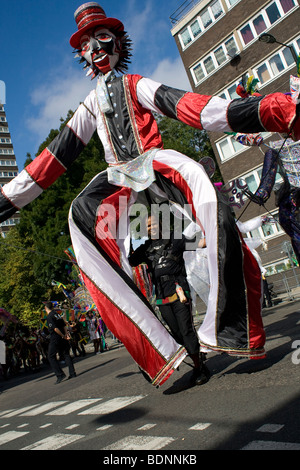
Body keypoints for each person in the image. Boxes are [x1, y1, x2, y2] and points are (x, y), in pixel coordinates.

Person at [0, 2, 299, 386]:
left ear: (118, 45)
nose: (96, 49)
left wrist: (268, 110)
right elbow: (51, 161)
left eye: (102, 39)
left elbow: (192, 108)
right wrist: (5, 200)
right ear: (82, 57)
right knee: (98, 227)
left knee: (215, 217)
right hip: (124, 190)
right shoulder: (90, 105)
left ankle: (226, 331)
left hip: (158, 171)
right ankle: (170, 352)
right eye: (87, 44)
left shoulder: (135, 84)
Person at [129, 214, 209, 386]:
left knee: (186, 330)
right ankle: (197, 354)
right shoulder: (145, 248)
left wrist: (215, 231)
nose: (152, 228)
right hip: (162, 299)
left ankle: (199, 368)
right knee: (177, 335)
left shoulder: (176, 239)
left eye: (154, 224)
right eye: (148, 226)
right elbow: (130, 261)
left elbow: (201, 243)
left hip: (179, 292)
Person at [44, 301, 76, 384]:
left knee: (51, 356)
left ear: (45, 308)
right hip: (62, 336)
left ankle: (60, 374)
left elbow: (55, 328)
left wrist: (62, 335)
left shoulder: (50, 316)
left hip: (56, 337)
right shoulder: (57, 314)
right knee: (66, 354)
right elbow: (63, 325)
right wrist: (65, 334)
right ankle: (72, 373)